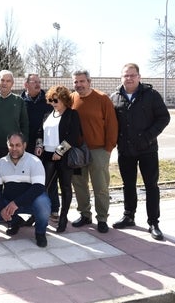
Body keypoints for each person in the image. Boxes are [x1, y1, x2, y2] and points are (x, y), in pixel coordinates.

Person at [110, 63, 170, 240]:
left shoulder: (151, 95)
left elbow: (163, 117)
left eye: (132, 75)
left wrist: (148, 137)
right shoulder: (115, 98)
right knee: (128, 185)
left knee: (151, 186)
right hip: (125, 150)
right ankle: (129, 215)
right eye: (126, 75)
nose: (129, 78)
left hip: (148, 149)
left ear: (139, 77)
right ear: (121, 78)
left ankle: (153, 222)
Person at [0, 132, 51, 248]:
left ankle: (40, 233)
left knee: (43, 204)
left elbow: (38, 187)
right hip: (9, 202)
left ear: (24, 145)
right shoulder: (1, 163)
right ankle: (15, 222)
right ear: (7, 145)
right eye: (11, 145)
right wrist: (1, 208)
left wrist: (16, 203)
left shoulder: (34, 161)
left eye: (18, 145)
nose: (14, 148)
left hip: (31, 202)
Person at [70, 69, 118, 233]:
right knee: (79, 184)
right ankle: (85, 214)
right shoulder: (71, 99)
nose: (79, 84)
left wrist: (108, 148)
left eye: (82, 81)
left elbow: (112, 124)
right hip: (77, 152)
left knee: (101, 186)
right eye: (76, 82)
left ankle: (102, 218)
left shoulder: (102, 98)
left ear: (89, 82)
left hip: (98, 150)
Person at [35, 85, 81, 233]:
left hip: (64, 157)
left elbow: (74, 135)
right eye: (50, 100)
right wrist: (39, 145)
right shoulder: (48, 114)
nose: (53, 103)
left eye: (55, 100)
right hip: (47, 155)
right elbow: (40, 131)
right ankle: (39, 215)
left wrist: (60, 151)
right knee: (43, 187)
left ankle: (63, 219)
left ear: (64, 100)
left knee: (65, 188)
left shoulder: (72, 114)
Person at [0, 70, 29, 175]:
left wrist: (24, 143)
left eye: (8, 81)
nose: (4, 83)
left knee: (13, 180)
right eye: (2, 80)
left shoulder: (19, 101)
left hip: (14, 148)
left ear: (12, 83)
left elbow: (24, 124)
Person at [21, 74, 53, 154]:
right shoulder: (19, 102)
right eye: (34, 82)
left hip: (44, 145)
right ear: (26, 85)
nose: (38, 84)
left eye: (39, 82)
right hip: (24, 144)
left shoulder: (48, 101)